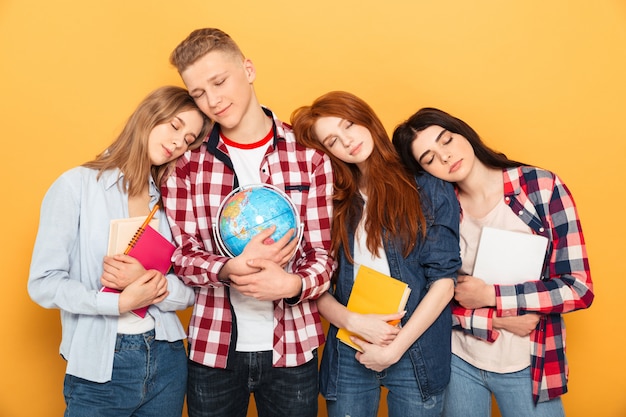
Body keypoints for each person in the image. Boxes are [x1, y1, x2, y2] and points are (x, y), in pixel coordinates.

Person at [162, 28, 335, 417]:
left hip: (292, 349)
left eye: (219, 82)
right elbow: (183, 255)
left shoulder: (310, 158)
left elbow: (323, 255)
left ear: (249, 69)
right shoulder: (186, 165)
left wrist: (292, 284)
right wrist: (226, 269)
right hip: (214, 350)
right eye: (198, 94)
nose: (213, 101)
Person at [392, 107, 594, 417]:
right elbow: (430, 301)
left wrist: (491, 296)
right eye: (429, 158)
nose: (444, 157)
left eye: (446, 140)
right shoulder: (437, 210)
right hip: (459, 361)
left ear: (463, 132)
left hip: (529, 361)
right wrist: (493, 320)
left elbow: (578, 288)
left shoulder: (540, 187)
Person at [28, 85, 212, 417]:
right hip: (100, 363)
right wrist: (118, 302)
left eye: (188, 139)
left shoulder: (170, 201)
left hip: (168, 357)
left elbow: (192, 290)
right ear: (149, 115)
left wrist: (147, 283)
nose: (177, 142)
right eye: (175, 126)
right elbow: (44, 283)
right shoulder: (76, 186)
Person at [290, 91, 462, 417]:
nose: (348, 141)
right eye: (333, 140)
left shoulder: (426, 187)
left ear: (366, 118)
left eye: (349, 125)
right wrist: (353, 322)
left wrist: (395, 349)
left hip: (416, 349)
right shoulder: (332, 202)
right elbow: (315, 284)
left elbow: (444, 282)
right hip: (350, 349)